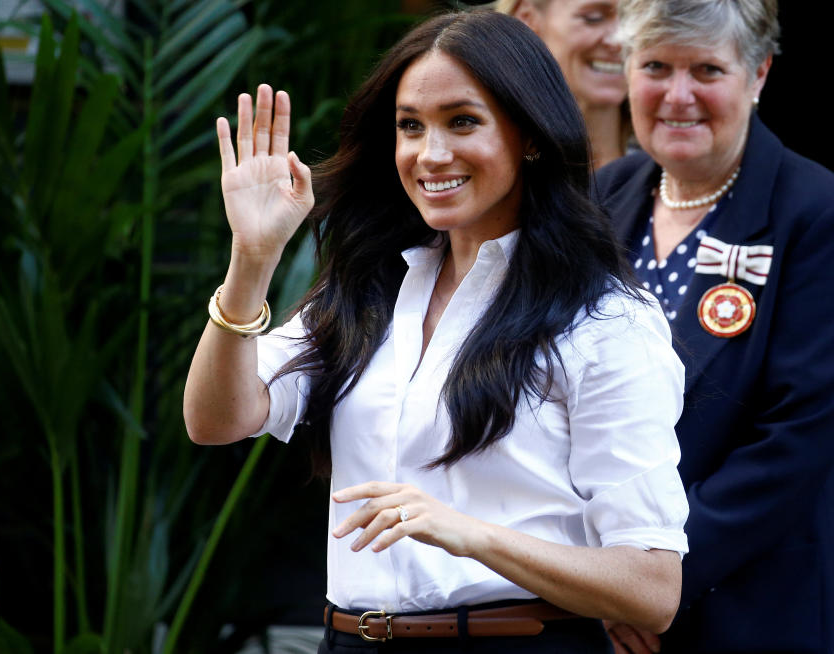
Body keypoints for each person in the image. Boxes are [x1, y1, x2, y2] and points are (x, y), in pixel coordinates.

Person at [184, 10, 689, 653]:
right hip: (350, 640)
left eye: (463, 121)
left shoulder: (604, 320)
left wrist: (467, 532)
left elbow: (652, 588)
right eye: (410, 126)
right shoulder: (367, 291)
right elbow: (215, 420)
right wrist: (251, 262)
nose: (432, 154)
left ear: (530, 136)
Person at [595, 1, 834, 652]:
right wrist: (596, 579)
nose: (678, 95)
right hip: (600, 602)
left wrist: (655, 579)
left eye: (706, 69)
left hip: (745, 605)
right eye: (655, 67)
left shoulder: (814, 212)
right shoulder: (604, 196)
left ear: (758, 75)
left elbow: (797, 437)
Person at [496, 0, 631, 168]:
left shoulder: (665, 174)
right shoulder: (495, 170)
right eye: (594, 18)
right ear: (527, 18)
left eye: (633, 20)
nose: (620, 40)